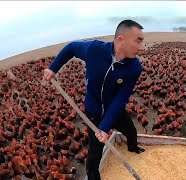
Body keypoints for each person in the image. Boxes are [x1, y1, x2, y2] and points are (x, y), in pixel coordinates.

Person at [43, 19, 145, 180]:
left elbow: (120, 99)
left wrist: (106, 127)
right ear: (121, 40)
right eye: (138, 41)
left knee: (131, 131)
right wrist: (53, 68)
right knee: (95, 152)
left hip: (114, 110)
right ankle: (93, 177)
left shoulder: (134, 67)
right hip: (93, 113)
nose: (141, 47)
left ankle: (133, 148)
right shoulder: (94, 50)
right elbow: (71, 48)